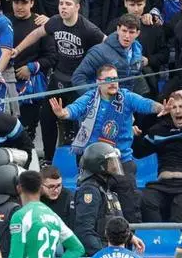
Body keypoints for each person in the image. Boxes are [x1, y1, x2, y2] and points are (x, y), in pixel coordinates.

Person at [50, 64, 167, 223]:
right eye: (108, 79)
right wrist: (63, 113)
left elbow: (145, 104)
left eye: (115, 79)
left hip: (122, 161)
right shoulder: (89, 98)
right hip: (93, 163)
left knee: (130, 207)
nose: (113, 83)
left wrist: (160, 107)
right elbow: (75, 109)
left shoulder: (126, 97)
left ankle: (131, 234)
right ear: (98, 82)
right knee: (91, 206)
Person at [14, 0, 105, 160]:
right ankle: (49, 159)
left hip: (79, 82)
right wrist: (18, 49)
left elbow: (107, 43)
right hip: (58, 78)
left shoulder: (88, 29)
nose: (63, 7)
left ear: (77, 7)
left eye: (68, 4)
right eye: (61, 3)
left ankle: (81, 164)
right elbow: (36, 33)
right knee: (46, 117)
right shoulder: (55, 21)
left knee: (80, 123)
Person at [134, 89, 182, 223]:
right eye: (174, 107)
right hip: (162, 184)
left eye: (181, 106)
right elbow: (138, 153)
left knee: (181, 208)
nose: (177, 111)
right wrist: (135, 137)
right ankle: (157, 234)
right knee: (145, 199)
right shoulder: (159, 130)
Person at [9, 0, 56, 145]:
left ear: (32, 3)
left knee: (27, 133)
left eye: (23, 2)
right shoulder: (5, 22)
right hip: (6, 84)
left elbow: (51, 57)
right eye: (16, 2)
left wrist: (31, 68)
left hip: (30, 88)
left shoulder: (40, 24)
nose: (19, 6)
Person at [71, 13, 148, 96]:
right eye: (124, 31)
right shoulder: (99, 52)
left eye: (131, 32)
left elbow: (135, 76)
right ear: (118, 29)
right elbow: (78, 77)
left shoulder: (137, 49)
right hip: (104, 99)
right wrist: (95, 98)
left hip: (127, 99)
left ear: (137, 33)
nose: (127, 36)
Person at [39, 165, 73, 229]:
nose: (56, 190)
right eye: (51, 186)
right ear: (41, 185)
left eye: (59, 185)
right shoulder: (34, 197)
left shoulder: (68, 197)